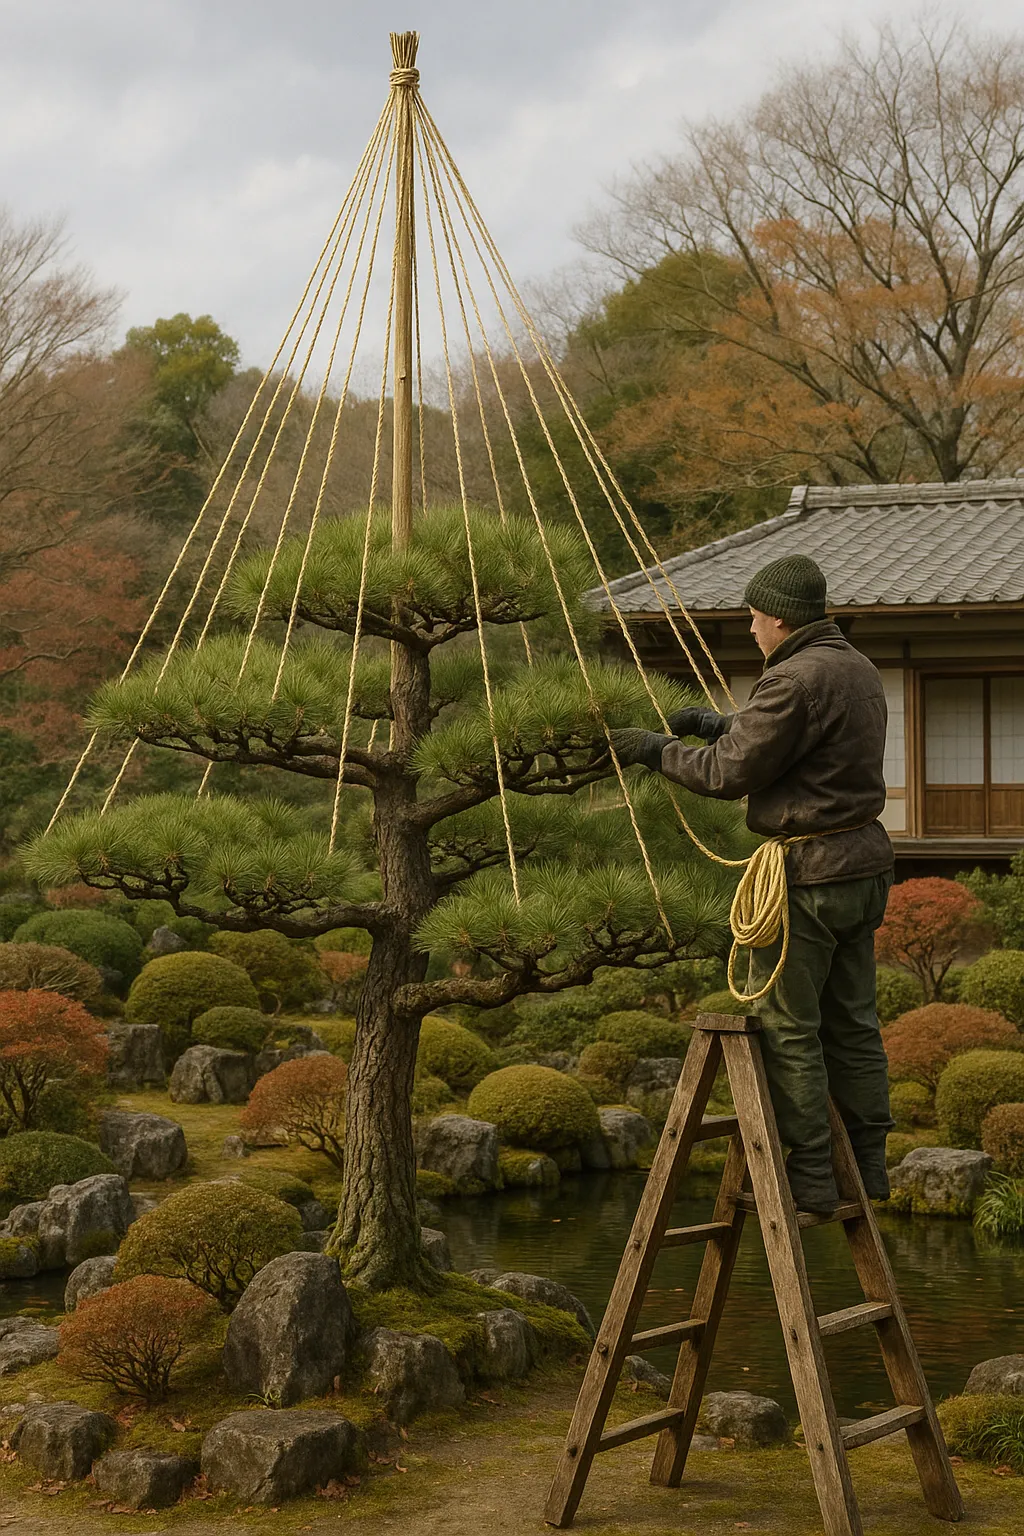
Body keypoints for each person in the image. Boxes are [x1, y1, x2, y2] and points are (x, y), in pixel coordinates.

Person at [609, 553, 894, 1214]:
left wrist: (656, 751)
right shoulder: (857, 666)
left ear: (778, 617)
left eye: (752, 617)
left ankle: (813, 1173)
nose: (749, 629)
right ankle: (871, 1161)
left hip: (808, 876)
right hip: (864, 866)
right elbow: (793, 734)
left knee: (790, 1025)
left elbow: (728, 775)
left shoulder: (793, 677)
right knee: (853, 1022)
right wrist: (717, 724)